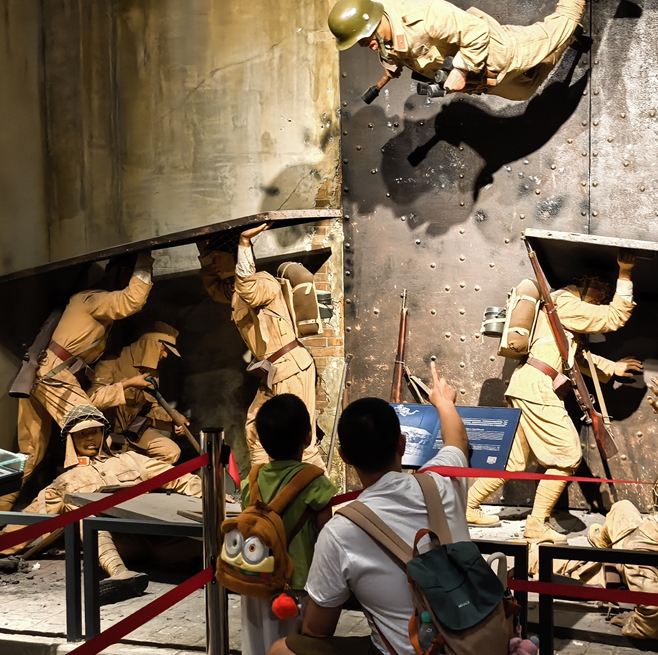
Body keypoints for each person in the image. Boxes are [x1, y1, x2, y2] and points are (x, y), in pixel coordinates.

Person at [270, 362, 467, 655]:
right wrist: (443, 402)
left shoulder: (341, 530)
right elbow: (458, 442)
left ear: (344, 456)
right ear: (402, 444)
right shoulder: (441, 482)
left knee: (282, 650)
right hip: (474, 643)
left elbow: (317, 630)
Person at [466, 253, 643, 542]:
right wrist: (625, 272)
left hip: (528, 385)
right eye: (601, 291)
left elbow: (576, 359)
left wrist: (613, 368)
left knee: (513, 463)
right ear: (584, 284)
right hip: (537, 387)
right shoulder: (567, 303)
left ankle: (467, 506)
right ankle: (537, 524)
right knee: (567, 455)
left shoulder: (558, 308)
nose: (602, 298)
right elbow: (615, 316)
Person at [327, 0, 630, 101]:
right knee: (523, 92)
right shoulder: (377, 25)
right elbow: (393, 47)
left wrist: (459, 71)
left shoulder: (425, 16)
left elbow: (475, 34)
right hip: (481, 77)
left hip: (497, 53)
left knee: (563, 19)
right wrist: (392, 64)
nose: (365, 45)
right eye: (359, 43)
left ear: (373, 23)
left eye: (365, 39)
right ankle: (565, 38)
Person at [0, 252, 154, 515]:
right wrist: (145, 264)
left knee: (30, 451)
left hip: (46, 373)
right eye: (127, 274)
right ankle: (81, 508)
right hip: (54, 374)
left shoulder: (87, 300)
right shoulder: (92, 299)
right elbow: (130, 301)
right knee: (90, 432)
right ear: (121, 273)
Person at [560, 377, 658, 640]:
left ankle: (596, 548)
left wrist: (634, 623)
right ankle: (598, 540)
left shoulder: (640, 551)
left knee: (554, 559)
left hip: (656, 574)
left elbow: (654, 620)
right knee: (622, 508)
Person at [3, 404, 202, 604]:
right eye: (83, 434)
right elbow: (29, 522)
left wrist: (213, 497)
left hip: (159, 542)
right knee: (80, 506)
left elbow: (180, 478)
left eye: (95, 432)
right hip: (121, 546)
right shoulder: (65, 482)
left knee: (211, 531)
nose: (90, 438)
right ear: (71, 440)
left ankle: (222, 562)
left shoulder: (132, 460)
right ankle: (120, 574)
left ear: (103, 433)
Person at [198, 223, 322, 467]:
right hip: (274, 370)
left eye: (217, 257)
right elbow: (215, 289)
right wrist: (202, 249)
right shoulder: (235, 289)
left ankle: (319, 494)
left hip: (290, 368)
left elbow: (250, 290)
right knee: (255, 431)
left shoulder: (262, 283)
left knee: (297, 438)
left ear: (235, 258)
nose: (213, 263)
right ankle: (261, 491)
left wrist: (244, 244)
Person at [240, 394, 338, 655]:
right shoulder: (317, 484)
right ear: (308, 437)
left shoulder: (252, 481)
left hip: (257, 581)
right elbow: (325, 537)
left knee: (256, 643)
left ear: (261, 439)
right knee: (291, 646)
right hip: (296, 584)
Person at [87, 322, 187, 464]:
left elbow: (150, 409)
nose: (165, 355)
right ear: (150, 344)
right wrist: (127, 384)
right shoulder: (111, 363)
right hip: (103, 435)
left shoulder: (152, 374)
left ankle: (142, 482)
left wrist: (173, 420)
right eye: (163, 348)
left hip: (132, 433)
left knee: (170, 452)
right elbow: (91, 400)